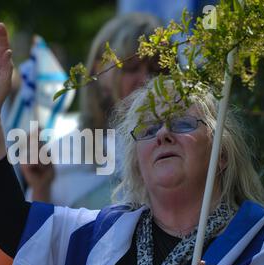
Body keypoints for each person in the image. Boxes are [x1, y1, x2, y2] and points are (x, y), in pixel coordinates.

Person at [0, 15, 264, 265]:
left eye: (183, 123)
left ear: (222, 155)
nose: (162, 134)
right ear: (135, 165)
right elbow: (2, 217)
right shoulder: (93, 236)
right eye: (147, 130)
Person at [21, 13, 163, 208]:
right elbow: (40, 235)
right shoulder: (67, 152)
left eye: (158, 70)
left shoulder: (186, 143)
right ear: (100, 70)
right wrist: (41, 187)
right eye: (132, 68)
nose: (147, 79)